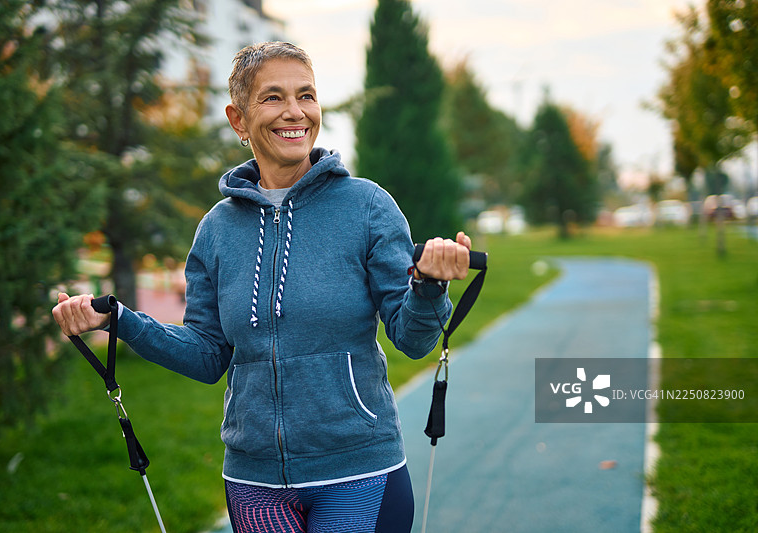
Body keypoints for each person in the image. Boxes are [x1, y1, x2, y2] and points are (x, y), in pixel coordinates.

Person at [52, 41, 471, 533]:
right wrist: (119, 320)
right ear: (239, 119)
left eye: (306, 95)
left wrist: (428, 285)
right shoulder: (216, 229)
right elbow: (208, 354)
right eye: (273, 97)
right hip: (254, 482)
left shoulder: (367, 207)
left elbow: (413, 339)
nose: (295, 111)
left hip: (358, 472)